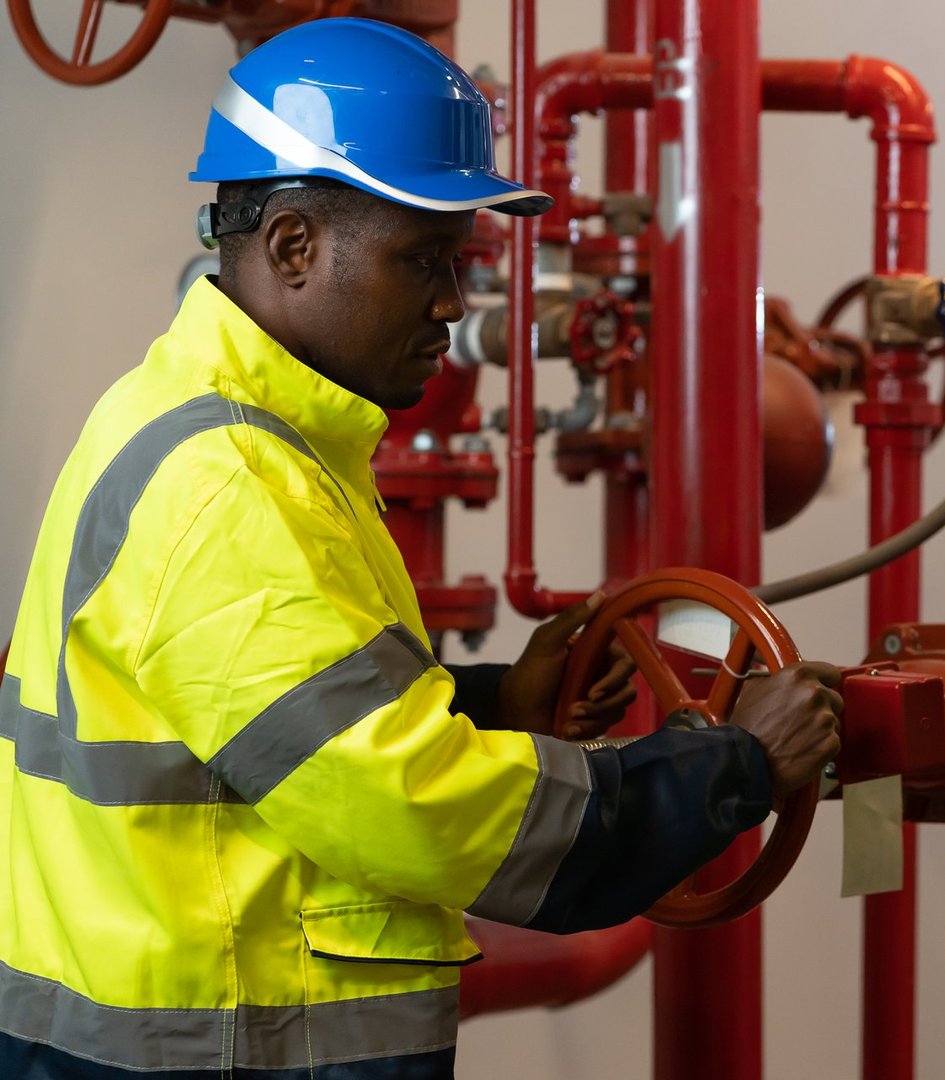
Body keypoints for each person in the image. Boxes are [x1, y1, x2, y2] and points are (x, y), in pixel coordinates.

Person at [0, 18, 842, 1080]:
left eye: (460, 261)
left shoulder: (244, 435)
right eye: (423, 259)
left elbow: (285, 733)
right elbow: (414, 808)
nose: (452, 302)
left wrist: (491, 705)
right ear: (294, 246)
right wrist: (735, 764)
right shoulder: (224, 483)